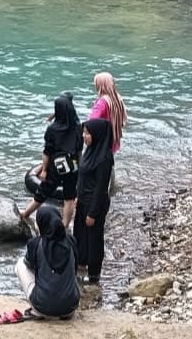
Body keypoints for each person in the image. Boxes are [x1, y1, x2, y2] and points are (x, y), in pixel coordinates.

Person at [0, 206, 79, 325]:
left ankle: (37, 311)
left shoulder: (36, 243)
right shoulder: (71, 241)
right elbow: (74, 271)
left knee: (20, 264)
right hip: (69, 308)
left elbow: (30, 266)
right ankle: (63, 305)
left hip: (43, 308)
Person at [20, 94, 82, 230]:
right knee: (69, 197)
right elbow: (79, 150)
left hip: (56, 167)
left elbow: (47, 152)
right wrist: (79, 167)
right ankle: (65, 224)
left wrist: (44, 169)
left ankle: (26, 213)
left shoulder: (53, 129)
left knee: (43, 191)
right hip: (72, 166)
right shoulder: (78, 127)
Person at [75, 119, 114, 285]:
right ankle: (80, 264)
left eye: (87, 133)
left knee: (94, 239)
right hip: (83, 200)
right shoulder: (89, 152)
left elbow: (100, 188)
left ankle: (94, 275)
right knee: (80, 235)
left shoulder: (104, 158)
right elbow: (82, 177)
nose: (84, 136)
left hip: (95, 203)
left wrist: (92, 212)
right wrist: (77, 196)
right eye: (84, 133)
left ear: (97, 135)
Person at [88, 72, 127, 153]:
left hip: (102, 144)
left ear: (100, 85)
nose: (95, 86)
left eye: (96, 84)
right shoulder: (118, 98)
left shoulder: (102, 102)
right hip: (114, 141)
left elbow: (91, 122)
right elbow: (124, 119)